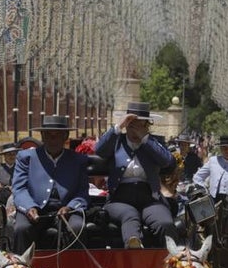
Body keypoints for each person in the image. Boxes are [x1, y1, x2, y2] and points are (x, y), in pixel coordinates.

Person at [93, 102, 178, 248]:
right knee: (130, 214)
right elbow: (99, 150)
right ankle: (133, 246)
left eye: (140, 124)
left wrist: (145, 139)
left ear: (146, 125)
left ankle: (171, 257)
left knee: (165, 223)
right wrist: (118, 127)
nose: (135, 129)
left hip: (149, 198)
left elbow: (166, 161)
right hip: (119, 199)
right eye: (132, 124)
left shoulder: (154, 142)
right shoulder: (116, 141)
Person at [10, 114, 89, 252]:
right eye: (48, 135)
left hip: (66, 210)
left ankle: (74, 264)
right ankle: (20, 264)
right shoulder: (26, 157)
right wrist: (29, 207)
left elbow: (82, 192)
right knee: (21, 228)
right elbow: (19, 188)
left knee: (77, 227)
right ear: (42, 136)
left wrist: (69, 207)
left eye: (57, 135)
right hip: (35, 208)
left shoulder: (78, 160)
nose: (53, 140)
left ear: (65, 137)